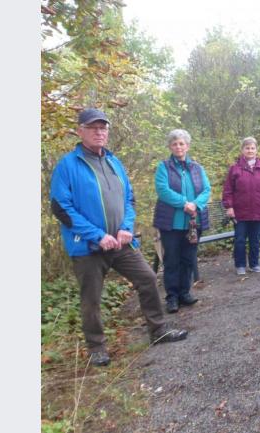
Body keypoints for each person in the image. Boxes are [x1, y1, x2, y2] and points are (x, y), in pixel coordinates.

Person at [50, 108, 188, 367]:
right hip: (88, 247)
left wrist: (126, 227)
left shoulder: (114, 162)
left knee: (147, 278)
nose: (99, 132)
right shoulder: (68, 165)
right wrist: (97, 235)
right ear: (80, 131)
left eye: (103, 128)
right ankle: (97, 347)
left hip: (121, 242)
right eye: (93, 128)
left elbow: (128, 198)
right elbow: (61, 207)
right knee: (91, 298)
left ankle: (158, 331)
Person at [153, 129, 211, 314]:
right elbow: (162, 190)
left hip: (193, 223)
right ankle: (172, 297)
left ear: (187, 146)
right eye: (175, 144)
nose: (178, 147)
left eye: (181, 143)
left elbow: (206, 190)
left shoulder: (197, 167)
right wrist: (183, 203)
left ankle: (185, 293)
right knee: (171, 260)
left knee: (188, 259)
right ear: (170, 146)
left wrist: (195, 204)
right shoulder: (164, 167)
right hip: (171, 223)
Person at [222, 137, 260, 275]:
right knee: (240, 239)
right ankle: (240, 265)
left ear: (256, 150)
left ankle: (254, 264)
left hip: (259, 211)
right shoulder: (235, 169)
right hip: (240, 212)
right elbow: (228, 190)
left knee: (255, 240)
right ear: (242, 150)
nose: (250, 150)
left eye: (252, 148)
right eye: (247, 148)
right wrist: (229, 207)